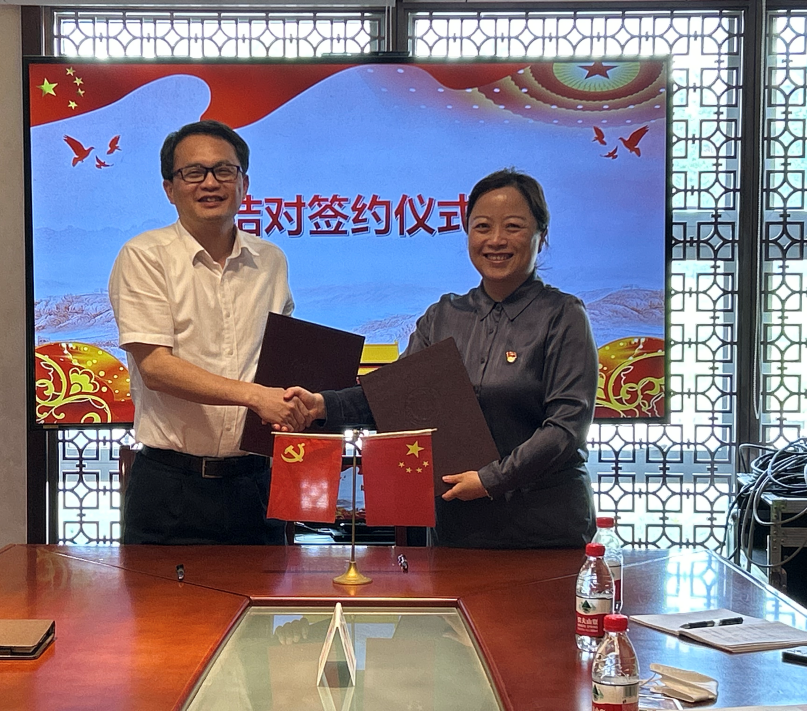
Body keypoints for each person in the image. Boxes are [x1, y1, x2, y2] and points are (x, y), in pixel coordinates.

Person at [288, 169, 599, 548]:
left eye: (513, 226)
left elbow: (565, 428)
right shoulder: (443, 316)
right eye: (482, 226)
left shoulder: (563, 315)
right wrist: (322, 405)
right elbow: (395, 398)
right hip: (459, 527)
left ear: (541, 235)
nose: (496, 240)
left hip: (546, 526)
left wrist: (490, 480)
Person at [109, 120, 309, 545]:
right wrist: (255, 396)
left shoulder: (271, 261)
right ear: (169, 188)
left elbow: (282, 359)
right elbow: (156, 369)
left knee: (261, 591)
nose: (210, 183)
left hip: (255, 483)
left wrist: (302, 403)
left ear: (244, 183)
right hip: (170, 487)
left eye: (224, 170)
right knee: (161, 594)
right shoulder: (145, 256)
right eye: (193, 172)